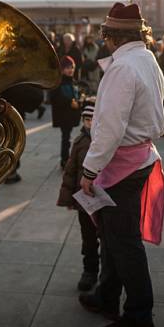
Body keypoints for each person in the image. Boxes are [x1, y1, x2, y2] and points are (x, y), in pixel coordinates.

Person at [77, 2, 164, 327]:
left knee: (123, 242)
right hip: (138, 159)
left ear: (110, 36)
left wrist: (89, 169)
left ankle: (140, 315)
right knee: (113, 237)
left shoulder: (122, 67)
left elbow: (111, 128)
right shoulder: (146, 59)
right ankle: (106, 295)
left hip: (122, 165)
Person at [57, 101, 100, 292]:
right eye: (86, 119)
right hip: (84, 202)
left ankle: (106, 272)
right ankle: (89, 271)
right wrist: (68, 199)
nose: (89, 123)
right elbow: (70, 171)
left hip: (102, 200)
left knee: (106, 238)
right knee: (88, 238)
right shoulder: (79, 142)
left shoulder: (105, 141)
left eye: (92, 119)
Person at [50, 56, 83, 168]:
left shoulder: (73, 80)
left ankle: (66, 159)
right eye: (68, 68)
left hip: (70, 115)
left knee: (67, 138)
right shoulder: (58, 81)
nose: (71, 70)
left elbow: (76, 93)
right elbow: (54, 97)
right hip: (64, 115)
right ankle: (64, 161)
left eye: (72, 67)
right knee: (66, 138)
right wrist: (69, 102)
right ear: (62, 69)